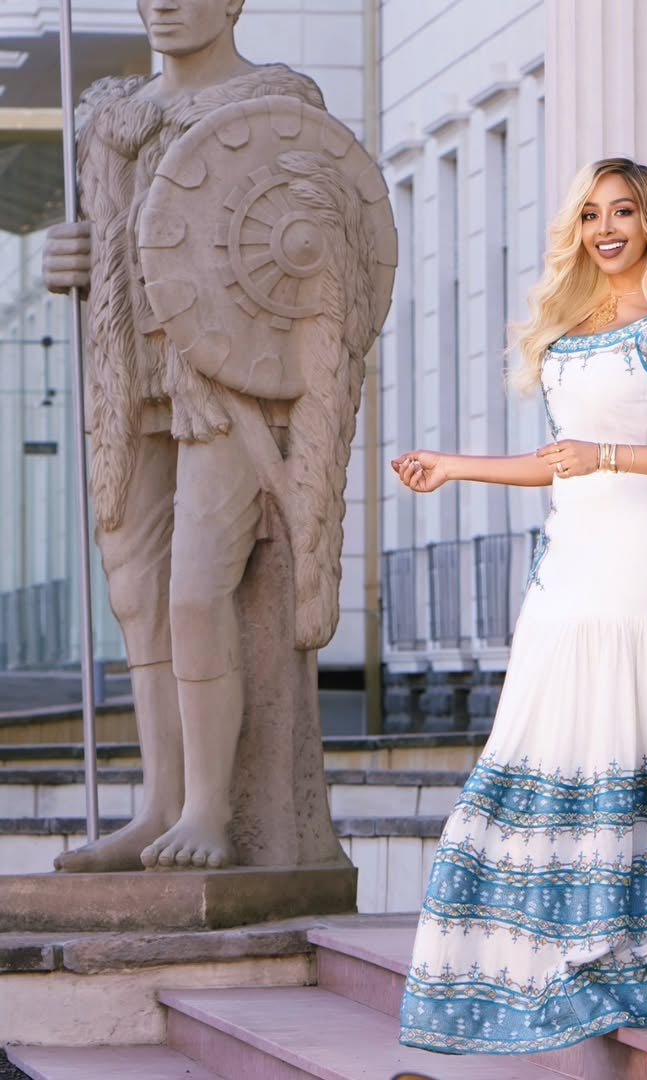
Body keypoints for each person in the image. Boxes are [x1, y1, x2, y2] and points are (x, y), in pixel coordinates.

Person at [393, 157, 647, 1055]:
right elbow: (559, 458)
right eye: (588, 214)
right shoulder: (574, 329)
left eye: (622, 211)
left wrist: (607, 457)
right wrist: (453, 466)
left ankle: (634, 961)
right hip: (573, 547)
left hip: (644, 549)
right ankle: (563, 955)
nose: (605, 228)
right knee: (550, 730)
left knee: (611, 725)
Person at [42, 0, 379, 873]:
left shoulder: (276, 102)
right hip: (132, 372)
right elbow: (112, 246)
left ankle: (210, 810)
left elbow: (318, 243)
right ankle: (159, 802)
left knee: (199, 589)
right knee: (138, 597)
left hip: (229, 378)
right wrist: (69, 260)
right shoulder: (106, 122)